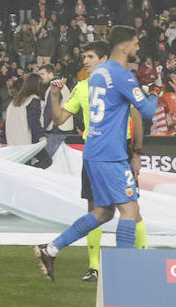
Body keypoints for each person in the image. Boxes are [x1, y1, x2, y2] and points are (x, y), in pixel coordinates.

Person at [36, 27, 176, 281]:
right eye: (135, 43)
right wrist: (156, 93)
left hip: (93, 150)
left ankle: (50, 249)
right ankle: (125, 273)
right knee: (130, 210)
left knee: (103, 212)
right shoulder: (123, 76)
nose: (137, 48)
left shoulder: (96, 75)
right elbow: (146, 112)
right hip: (111, 154)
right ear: (125, 47)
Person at [45, 41, 139, 281]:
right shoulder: (84, 86)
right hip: (103, 154)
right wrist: (54, 96)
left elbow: (136, 116)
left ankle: (52, 249)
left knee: (110, 212)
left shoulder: (114, 81)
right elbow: (59, 119)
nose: (84, 61)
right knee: (122, 210)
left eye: (90, 56)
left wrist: (136, 151)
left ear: (104, 58)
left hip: (116, 151)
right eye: (84, 56)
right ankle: (101, 267)